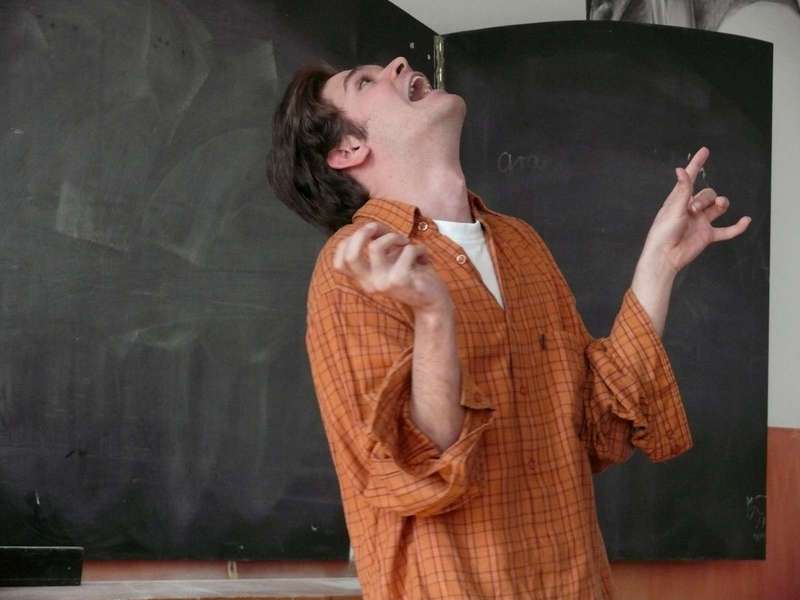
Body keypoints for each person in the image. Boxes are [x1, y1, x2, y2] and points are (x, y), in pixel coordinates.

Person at [266, 57, 750, 600]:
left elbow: (596, 431)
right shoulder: (355, 268)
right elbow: (418, 470)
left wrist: (660, 263)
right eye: (365, 81)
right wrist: (433, 316)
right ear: (348, 150)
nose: (398, 63)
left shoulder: (520, 244)